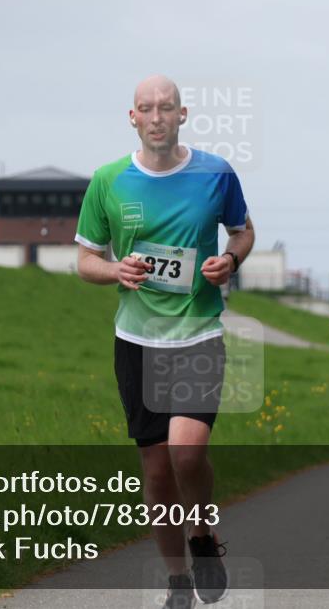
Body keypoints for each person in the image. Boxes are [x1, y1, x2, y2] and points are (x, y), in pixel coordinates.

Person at [75, 75, 254, 608]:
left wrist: (231, 260)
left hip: (198, 332)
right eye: (145, 108)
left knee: (187, 452)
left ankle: (202, 536)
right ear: (132, 117)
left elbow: (242, 231)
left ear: (183, 114)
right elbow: (84, 259)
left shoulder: (215, 173)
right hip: (137, 341)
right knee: (156, 469)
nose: (156, 116)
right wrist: (116, 272)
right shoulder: (108, 181)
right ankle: (177, 580)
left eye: (166, 107)